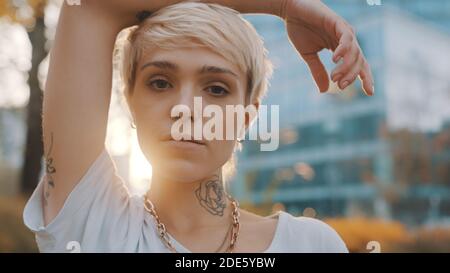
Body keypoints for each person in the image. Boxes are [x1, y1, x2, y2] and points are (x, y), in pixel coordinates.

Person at [23, 0, 373, 253]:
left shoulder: (312, 245)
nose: (186, 109)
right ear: (130, 102)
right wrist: (282, 5)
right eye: (160, 82)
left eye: (216, 89)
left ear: (246, 116)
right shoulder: (94, 224)